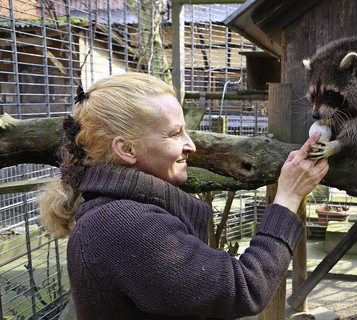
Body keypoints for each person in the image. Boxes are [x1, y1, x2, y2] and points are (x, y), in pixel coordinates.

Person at [39, 72, 329, 319]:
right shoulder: (121, 224)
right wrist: (288, 197)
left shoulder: (119, 211)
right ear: (126, 149)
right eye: (174, 133)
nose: (190, 144)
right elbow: (245, 288)